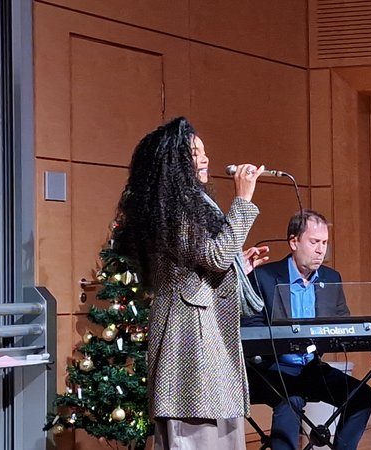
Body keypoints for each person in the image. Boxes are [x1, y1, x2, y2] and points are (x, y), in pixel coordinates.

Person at [114, 117, 269, 449]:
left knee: (220, 429)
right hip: (187, 339)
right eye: (195, 153)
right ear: (175, 163)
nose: (205, 159)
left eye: (204, 151)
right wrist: (243, 200)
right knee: (197, 432)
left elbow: (206, 264)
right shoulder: (173, 211)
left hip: (205, 334)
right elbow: (214, 256)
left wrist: (238, 267)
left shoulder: (190, 206)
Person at [243, 209, 371, 450]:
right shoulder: (263, 277)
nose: (320, 249)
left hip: (310, 369)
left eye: (324, 242)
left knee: (362, 395)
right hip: (270, 370)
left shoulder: (331, 277)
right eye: (314, 242)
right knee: (290, 398)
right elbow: (252, 331)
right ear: (294, 241)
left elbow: (342, 322)